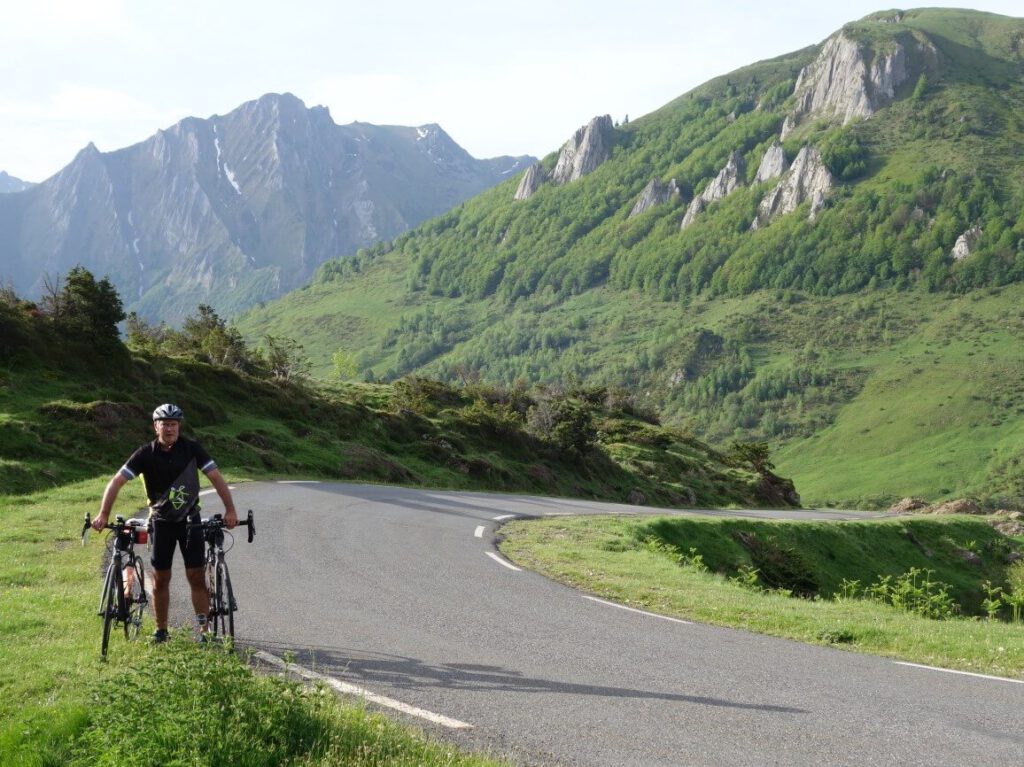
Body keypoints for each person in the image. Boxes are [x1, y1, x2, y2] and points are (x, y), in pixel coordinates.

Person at [93, 403, 237, 642]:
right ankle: (161, 630)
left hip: (190, 523)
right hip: (161, 523)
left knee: (196, 577)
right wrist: (103, 513)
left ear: (179, 426)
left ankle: (204, 632)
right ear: (155, 426)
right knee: (161, 579)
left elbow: (216, 478)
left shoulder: (192, 449)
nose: (169, 428)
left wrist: (230, 509)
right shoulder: (145, 453)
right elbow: (117, 481)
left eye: (173, 424)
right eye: (165, 424)